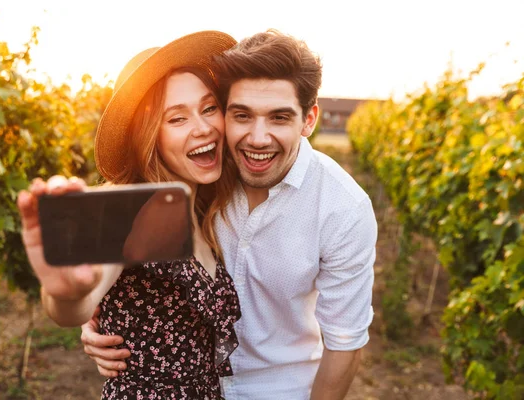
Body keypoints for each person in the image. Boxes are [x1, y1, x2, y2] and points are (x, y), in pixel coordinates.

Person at [81, 29, 378, 400]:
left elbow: (345, 343)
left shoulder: (343, 208)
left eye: (279, 118)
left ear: (309, 119)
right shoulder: (206, 174)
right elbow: (106, 268)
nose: (257, 138)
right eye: (241, 115)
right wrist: (95, 315)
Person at [17, 31, 242, 399]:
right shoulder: (129, 210)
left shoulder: (204, 211)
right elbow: (79, 300)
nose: (203, 128)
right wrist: (69, 296)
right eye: (176, 118)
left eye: (208, 108)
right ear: (149, 136)